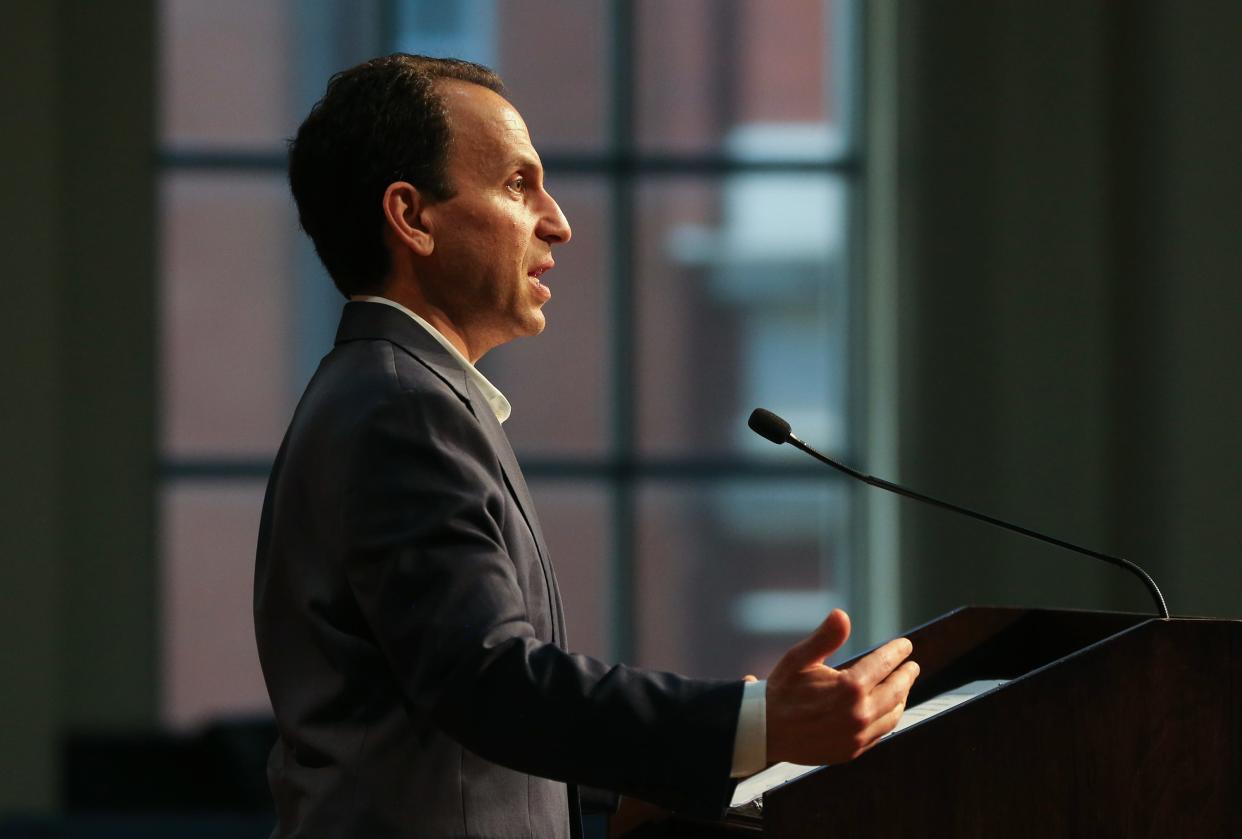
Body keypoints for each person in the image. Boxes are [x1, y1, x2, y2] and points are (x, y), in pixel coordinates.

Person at [254, 53, 919, 839]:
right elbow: (490, 682)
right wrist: (753, 724)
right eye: (516, 185)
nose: (557, 220)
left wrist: (667, 785)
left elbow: (468, 743)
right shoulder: (402, 407)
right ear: (413, 217)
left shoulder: (396, 392)